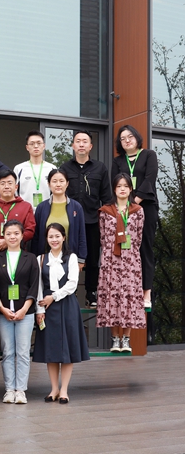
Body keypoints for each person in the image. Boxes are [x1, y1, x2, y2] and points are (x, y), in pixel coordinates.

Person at [33, 223, 91, 404]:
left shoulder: (71, 257)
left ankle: (64, 390)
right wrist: (40, 309)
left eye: (57, 236)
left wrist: (54, 297)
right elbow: (38, 287)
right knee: (50, 350)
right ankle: (54, 389)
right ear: (46, 239)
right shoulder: (41, 259)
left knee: (67, 349)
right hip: (47, 307)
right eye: (51, 236)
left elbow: (73, 283)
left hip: (66, 305)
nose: (54, 240)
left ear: (64, 237)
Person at [59, 130, 113, 310]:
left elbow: (107, 198)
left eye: (85, 141)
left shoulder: (100, 168)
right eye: (78, 141)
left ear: (90, 146)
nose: (81, 144)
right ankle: (70, 290)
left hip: (92, 220)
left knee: (92, 257)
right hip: (69, 220)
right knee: (68, 256)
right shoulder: (65, 168)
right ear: (73, 145)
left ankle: (91, 292)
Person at [97, 174, 147, 353]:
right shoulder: (105, 211)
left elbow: (138, 237)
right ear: (114, 189)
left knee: (128, 297)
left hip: (130, 261)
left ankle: (126, 339)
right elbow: (103, 238)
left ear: (131, 189)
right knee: (112, 297)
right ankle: (114, 339)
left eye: (126, 186)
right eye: (119, 186)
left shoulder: (137, 211)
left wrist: (128, 253)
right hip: (110, 260)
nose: (123, 189)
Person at [0, 220, 39, 404]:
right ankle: (9, 389)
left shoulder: (31, 258)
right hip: (4, 312)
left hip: (25, 312)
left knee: (23, 351)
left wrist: (24, 309)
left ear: (22, 236)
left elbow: (34, 286)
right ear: (3, 236)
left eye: (16, 233)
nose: (12, 237)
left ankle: (21, 390)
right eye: (8, 234)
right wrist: (2, 309)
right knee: (8, 351)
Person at [111, 124, 159, 310]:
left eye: (130, 136)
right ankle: (127, 290)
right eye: (123, 138)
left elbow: (149, 179)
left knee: (144, 248)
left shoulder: (148, 155)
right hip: (123, 209)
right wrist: (125, 206)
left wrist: (135, 202)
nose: (127, 140)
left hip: (145, 206)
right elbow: (115, 183)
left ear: (137, 137)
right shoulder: (118, 161)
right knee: (125, 247)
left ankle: (146, 292)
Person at [31, 170, 88, 266]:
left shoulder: (76, 207)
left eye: (61, 181)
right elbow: (36, 236)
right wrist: (36, 258)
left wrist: (81, 259)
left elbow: (81, 234)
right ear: (49, 184)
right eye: (54, 181)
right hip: (45, 259)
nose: (58, 184)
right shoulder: (41, 207)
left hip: (70, 259)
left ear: (67, 184)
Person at [0, 169, 35, 256]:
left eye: (10, 183)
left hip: (19, 254)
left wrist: (9, 242)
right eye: (2, 183)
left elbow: (30, 230)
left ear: (16, 187)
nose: (6, 186)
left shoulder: (26, 206)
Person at [13, 131, 55, 208]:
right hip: (25, 211)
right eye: (32, 144)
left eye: (39, 143)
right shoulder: (19, 168)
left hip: (47, 210)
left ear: (44, 146)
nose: (36, 146)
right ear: (27, 147)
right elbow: (14, 192)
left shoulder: (52, 168)